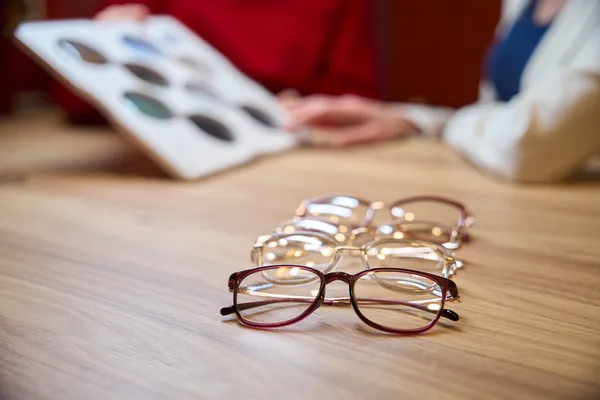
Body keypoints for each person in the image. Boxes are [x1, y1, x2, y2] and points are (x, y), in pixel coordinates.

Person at [284, 0, 600, 182]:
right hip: (498, 196)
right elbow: (495, 114)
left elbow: (523, 146)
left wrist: (444, 123)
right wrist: (412, 119)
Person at [55, 0, 377, 123]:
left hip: (284, 146)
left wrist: (310, 107)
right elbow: (74, 103)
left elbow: (356, 99)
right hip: (164, 139)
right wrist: (103, 47)